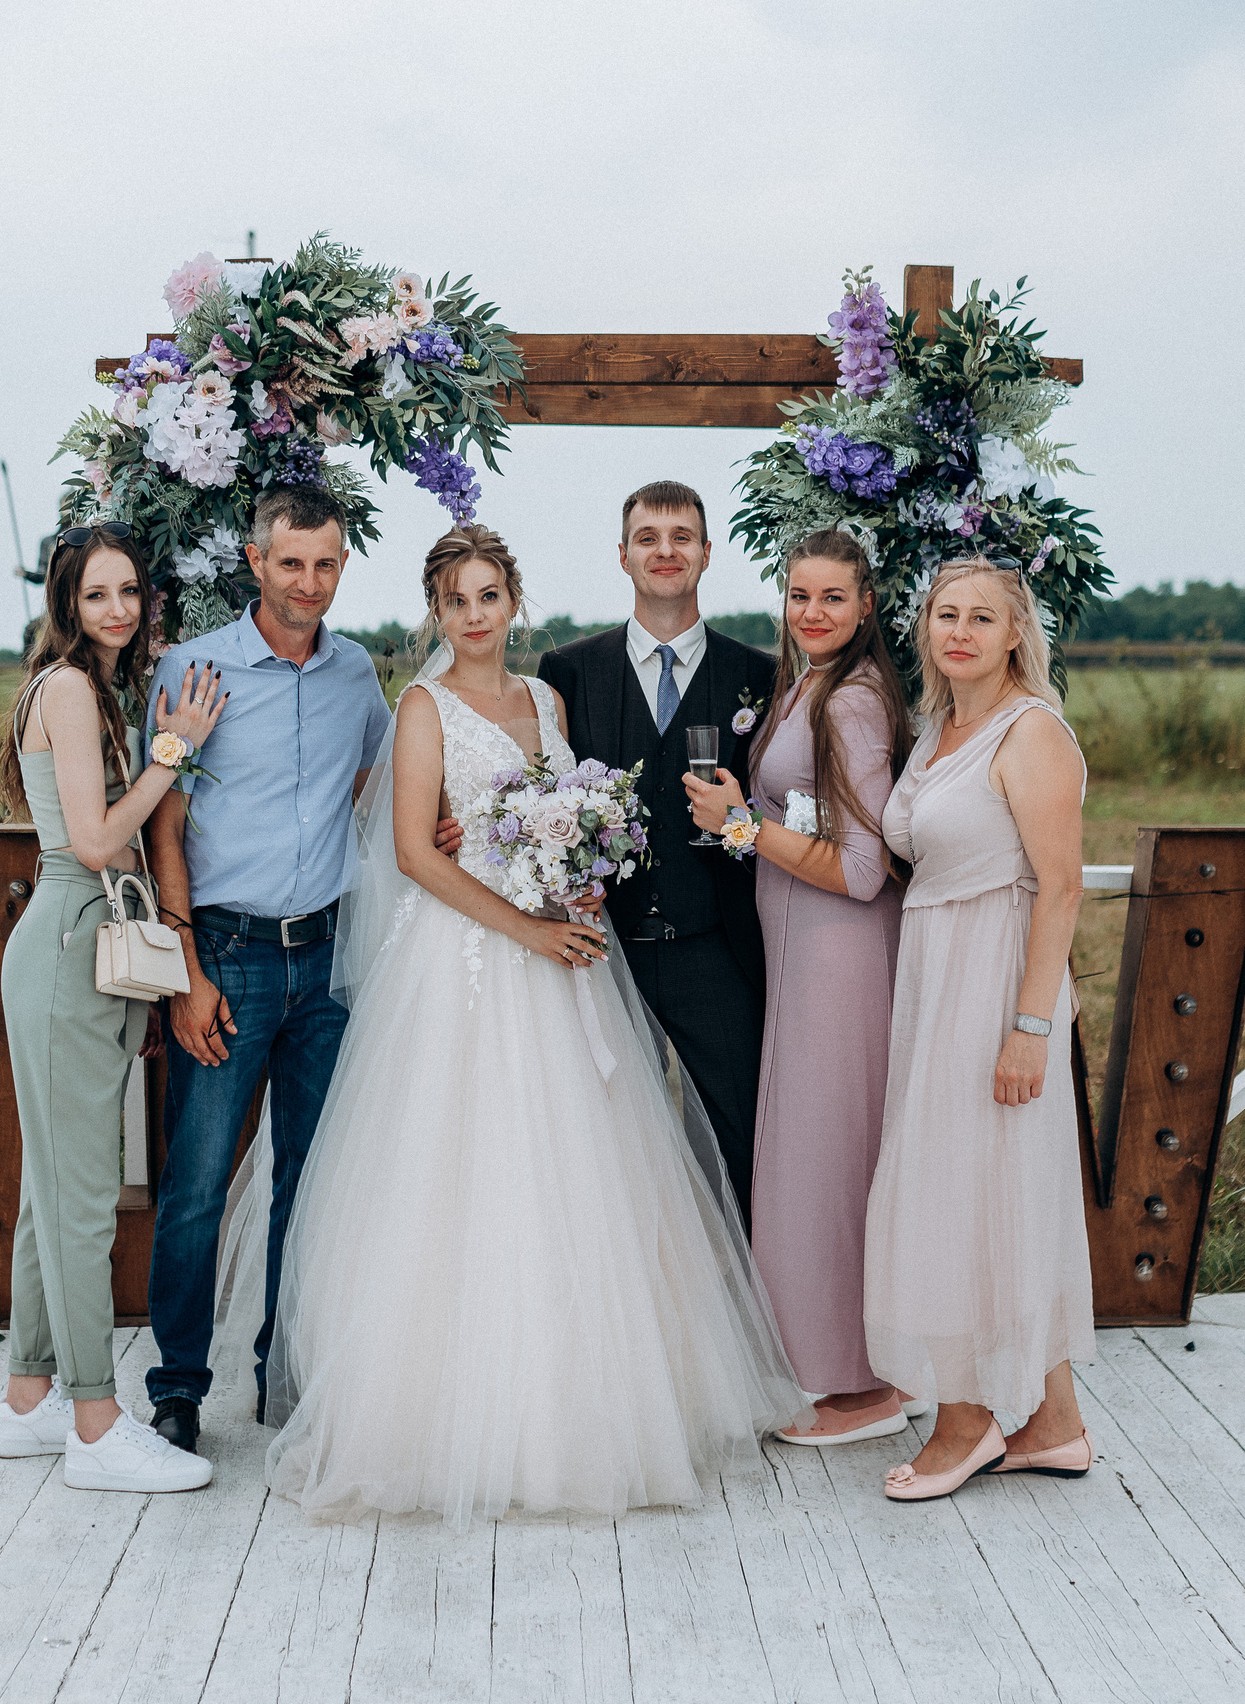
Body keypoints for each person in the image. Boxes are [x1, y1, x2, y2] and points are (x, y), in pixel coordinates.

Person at [263, 524, 807, 1526]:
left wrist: (581, 887)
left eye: (488, 596)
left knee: (579, 1173)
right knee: (465, 1176)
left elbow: (562, 816)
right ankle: (447, 1417)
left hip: (561, 958)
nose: (474, 615)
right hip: (465, 963)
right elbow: (418, 856)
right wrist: (521, 925)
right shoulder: (421, 708)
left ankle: (596, 1405)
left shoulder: (546, 699)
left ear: (513, 602)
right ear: (436, 611)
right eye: (456, 599)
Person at [136, 485, 406, 1460]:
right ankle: (176, 1389)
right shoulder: (193, 668)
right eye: (291, 562)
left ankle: (282, 1381)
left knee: (313, 1184)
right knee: (199, 1185)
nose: (309, 582)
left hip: (328, 961)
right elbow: (162, 821)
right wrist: (185, 971)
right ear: (255, 563)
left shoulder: (354, 675)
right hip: (229, 958)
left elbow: (379, 788)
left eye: (326, 564)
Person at [0, 523, 225, 1494]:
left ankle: (27, 1401)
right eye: (97, 594)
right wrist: (176, 751)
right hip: (67, 946)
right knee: (84, 1201)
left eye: (129, 590)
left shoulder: (86, 689)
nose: (118, 609)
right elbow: (91, 841)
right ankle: (94, 1421)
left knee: (52, 1195)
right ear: (66, 603)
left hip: (76, 948)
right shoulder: (72, 690)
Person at [864, 557, 1097, 1502]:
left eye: (981, 617)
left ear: (1015, 633)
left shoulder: (1031, 731)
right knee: (988, 1190)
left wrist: (1030, 1027)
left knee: (964, 1195)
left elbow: (1064, 886)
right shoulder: (935, 733)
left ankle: (964, 1424)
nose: (959, 630)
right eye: (945, 615)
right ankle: (1054, 1423)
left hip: (999, 982)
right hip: (934, 976)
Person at [682, 529, 917, 1444]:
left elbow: (862, 871)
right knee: (810, 1162)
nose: (812, 613)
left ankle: (862, 1390)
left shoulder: (854, 704)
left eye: (832, 598)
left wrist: (741, 828)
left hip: (841, 955)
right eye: (798, 595)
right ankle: (839, 1369)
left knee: (826, 1166)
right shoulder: (806, 686)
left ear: (864, 608)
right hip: (802, 954)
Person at [536, 481, 773, 1220]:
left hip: (720, 953)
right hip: (607, 957)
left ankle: (741, 1326)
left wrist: (734, 822)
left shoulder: (760, 676)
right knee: (607, 1155)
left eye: (681, 536)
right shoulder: (567, 672)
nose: (665, 550)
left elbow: (781, 822)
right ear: (623, 554)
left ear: (707, 552)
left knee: (738, 1153)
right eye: (648, 536)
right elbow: (539, 799)